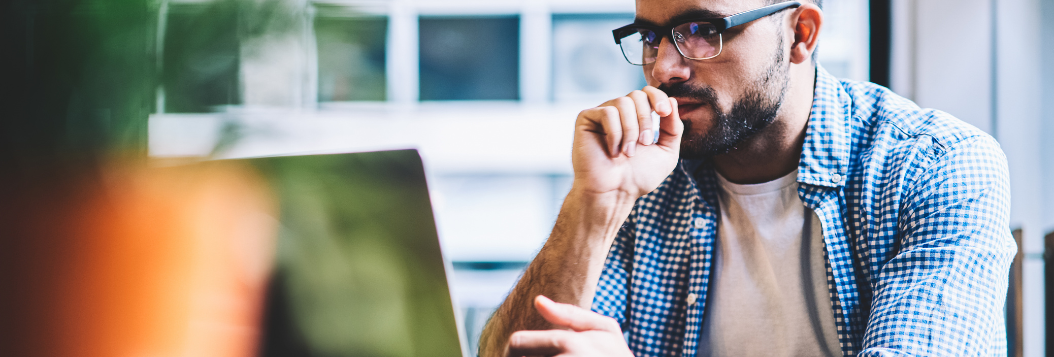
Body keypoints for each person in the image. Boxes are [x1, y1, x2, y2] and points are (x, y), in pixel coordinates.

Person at [478, 0, 1017, 356]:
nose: (666, 67)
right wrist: (594, 205)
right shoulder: (644, 175)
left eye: (701, 31)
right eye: (651, 36)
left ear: (800, 34)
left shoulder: (936, 165)